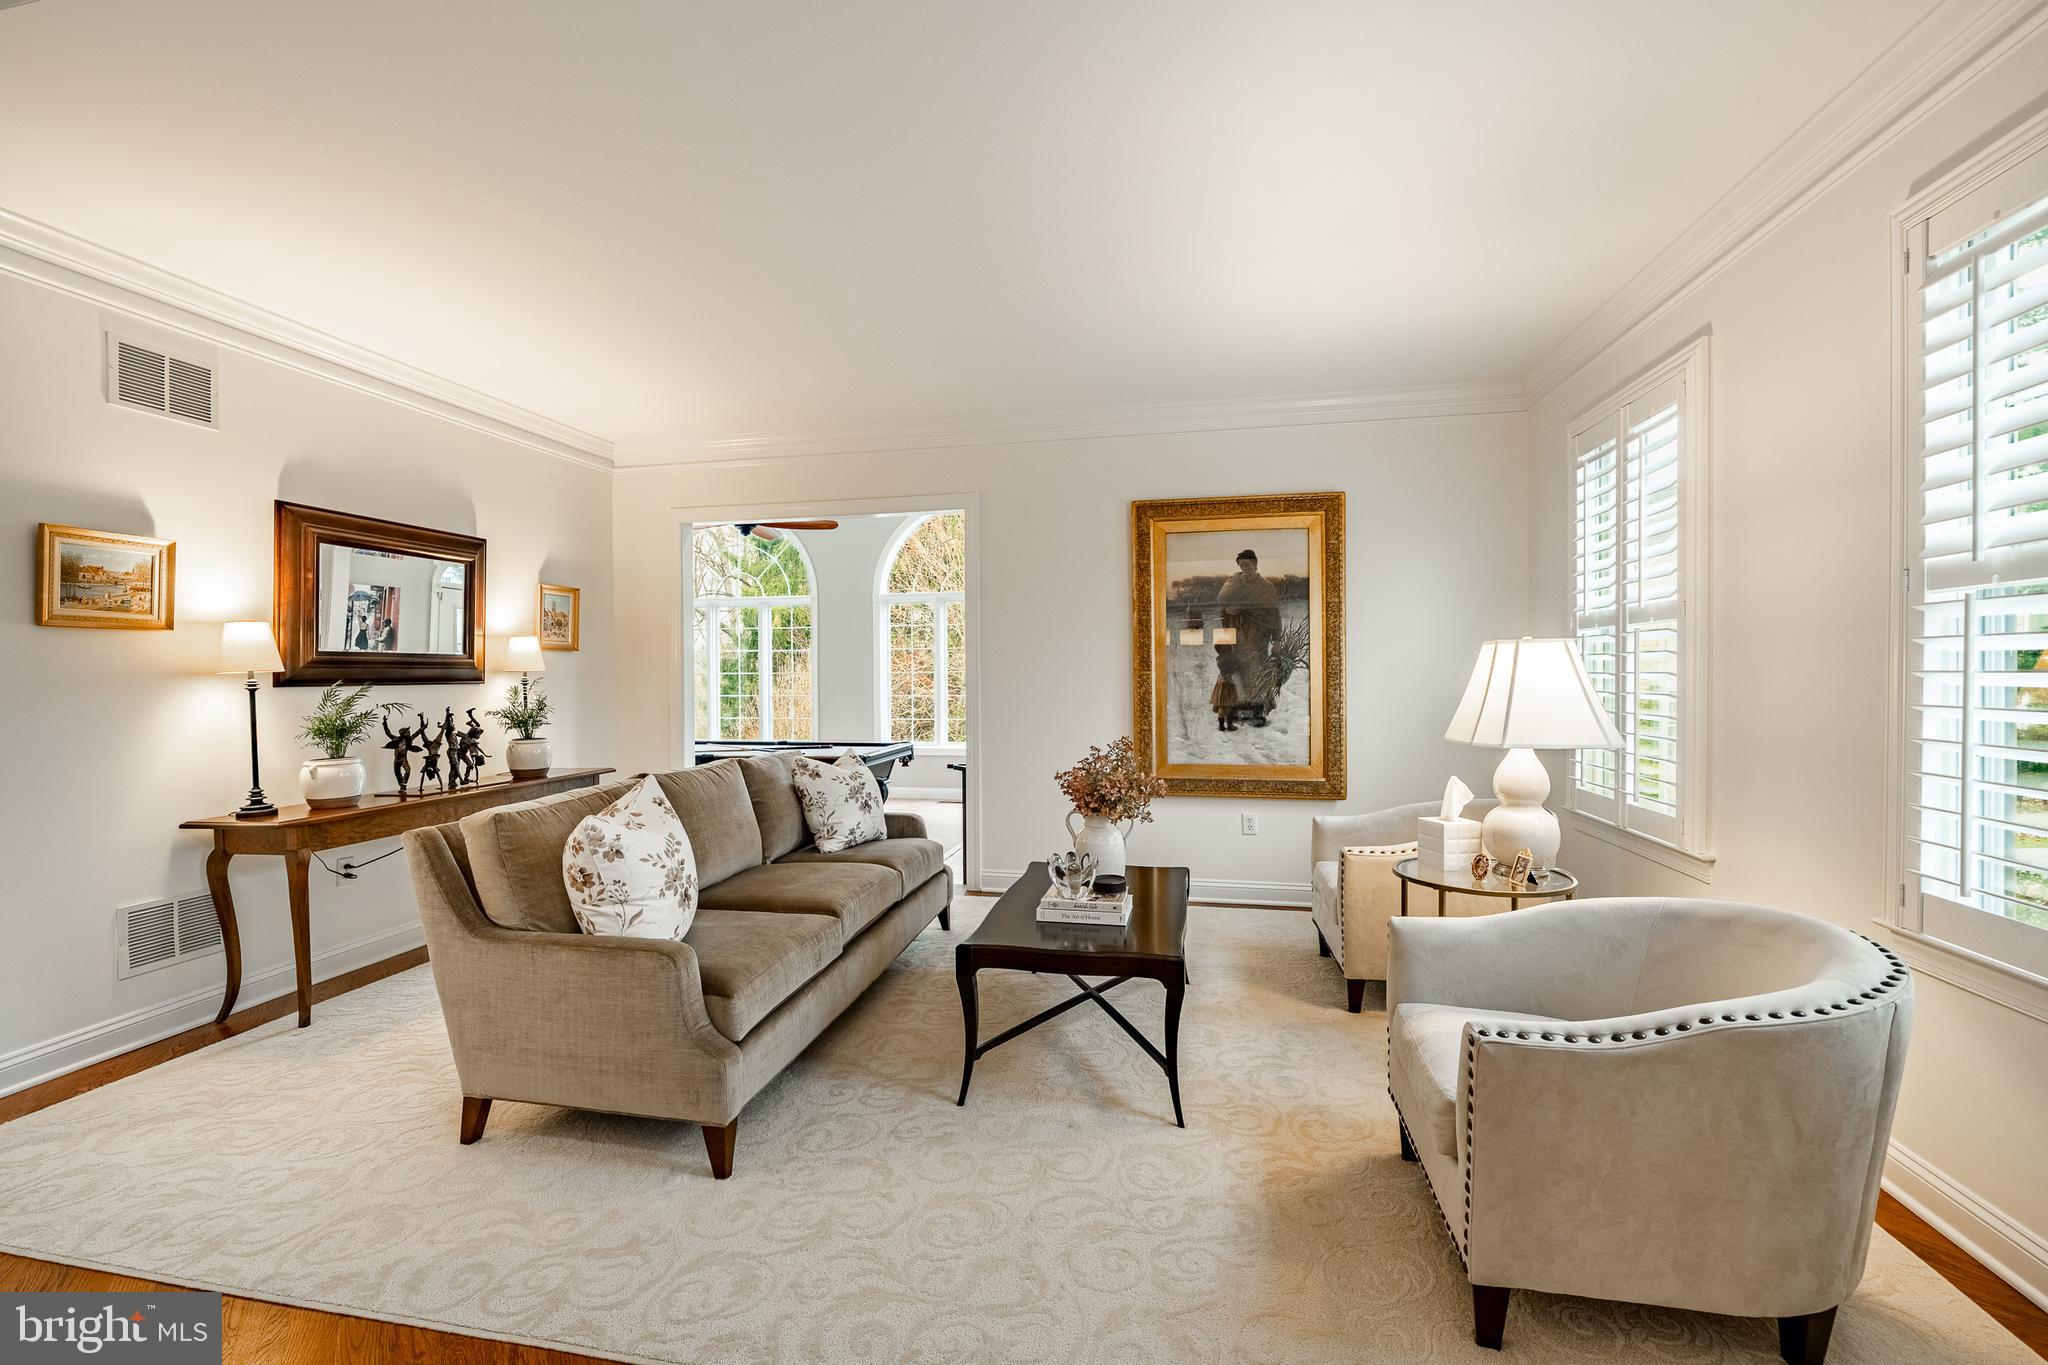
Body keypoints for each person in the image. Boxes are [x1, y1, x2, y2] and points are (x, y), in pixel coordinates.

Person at [1216, 549, 1282, 726]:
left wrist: (1277, 640)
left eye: (1248, 564)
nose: (1245, 568)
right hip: (1237, 632)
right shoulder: (1232, 582)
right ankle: (1235, 706)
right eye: (1242, 565)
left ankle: (1257, 710)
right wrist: (1228, 609)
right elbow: (1222, 602)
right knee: (1236, 667)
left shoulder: (1266, 586)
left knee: (1257, 668)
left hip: (1259, 634)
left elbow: (1274, 613)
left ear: (1255, 564)